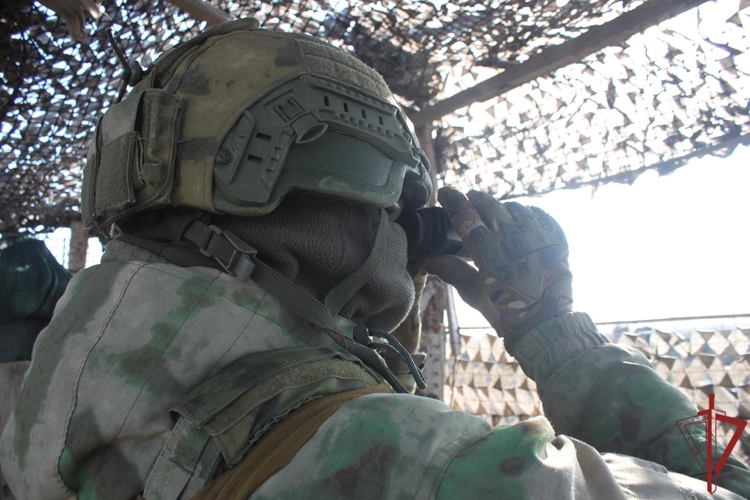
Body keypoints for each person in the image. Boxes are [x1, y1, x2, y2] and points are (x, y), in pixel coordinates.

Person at [1, 19, 748, 500]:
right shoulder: (414, 464)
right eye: (397, 216)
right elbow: (729, 483)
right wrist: (557, 336)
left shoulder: (46, 401)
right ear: (349, 199)